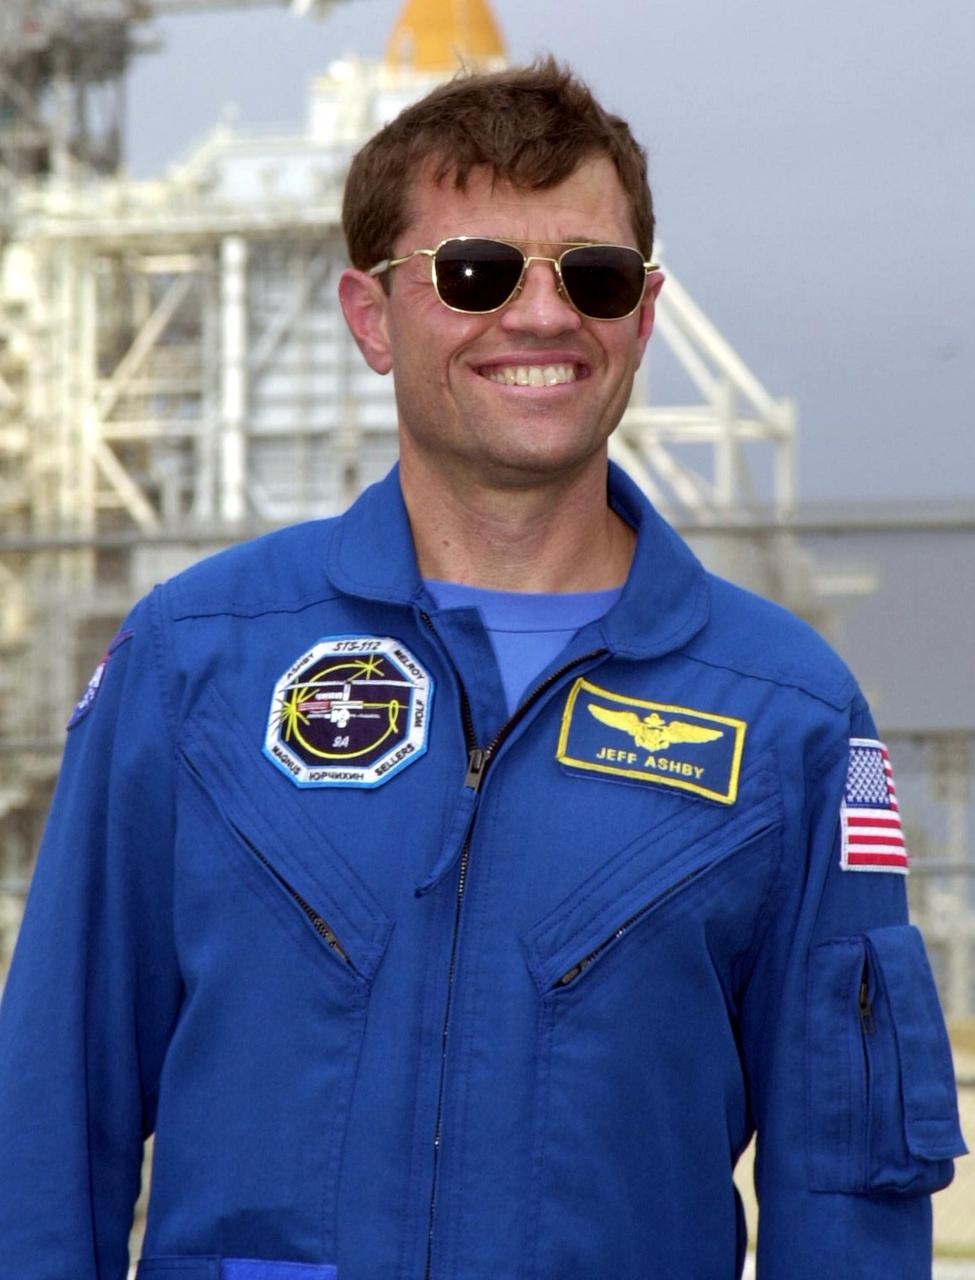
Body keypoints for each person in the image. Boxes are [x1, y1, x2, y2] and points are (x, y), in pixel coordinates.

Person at [0, 59, 965, 1280]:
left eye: (594, 277)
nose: (544, 316)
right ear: (371, 315)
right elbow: (44, 1126)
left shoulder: (791, 716)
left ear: (644, 315)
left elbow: (848, 1189)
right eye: (477, 273)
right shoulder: (193, 663)